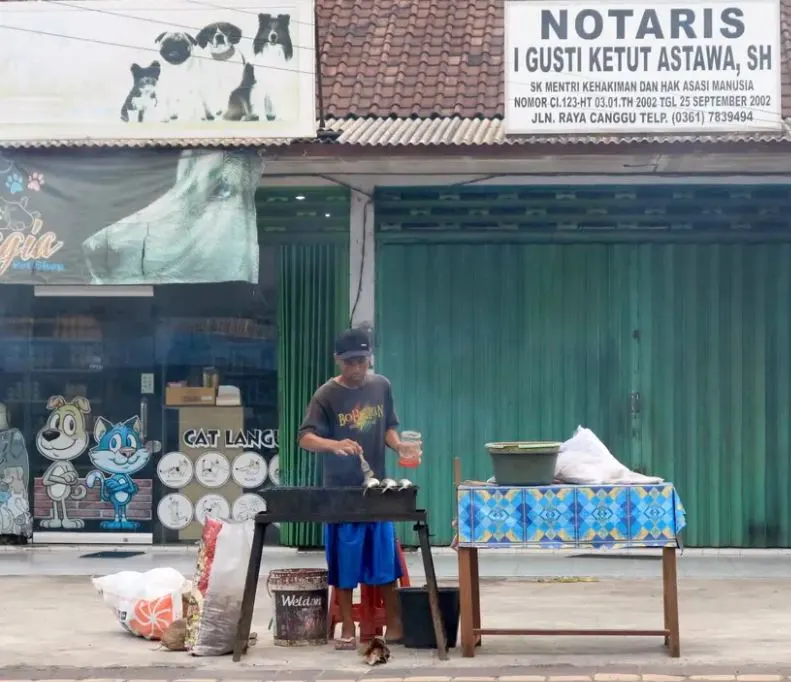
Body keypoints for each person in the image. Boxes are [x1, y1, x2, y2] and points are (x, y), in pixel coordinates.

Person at [297, 327, 417, 650]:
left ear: (369, 359)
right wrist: (334, 444)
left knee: (384, 560)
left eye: (362, 361)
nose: (357, 369)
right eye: (350, 362)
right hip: (341, 492)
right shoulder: (326, 396)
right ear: (338, 361)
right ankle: (348, 627)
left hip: (376, 489)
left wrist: (399, 446)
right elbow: (305, 437)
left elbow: (389, 426)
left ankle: (393, 625)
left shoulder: (381, 386)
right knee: (345, 562)